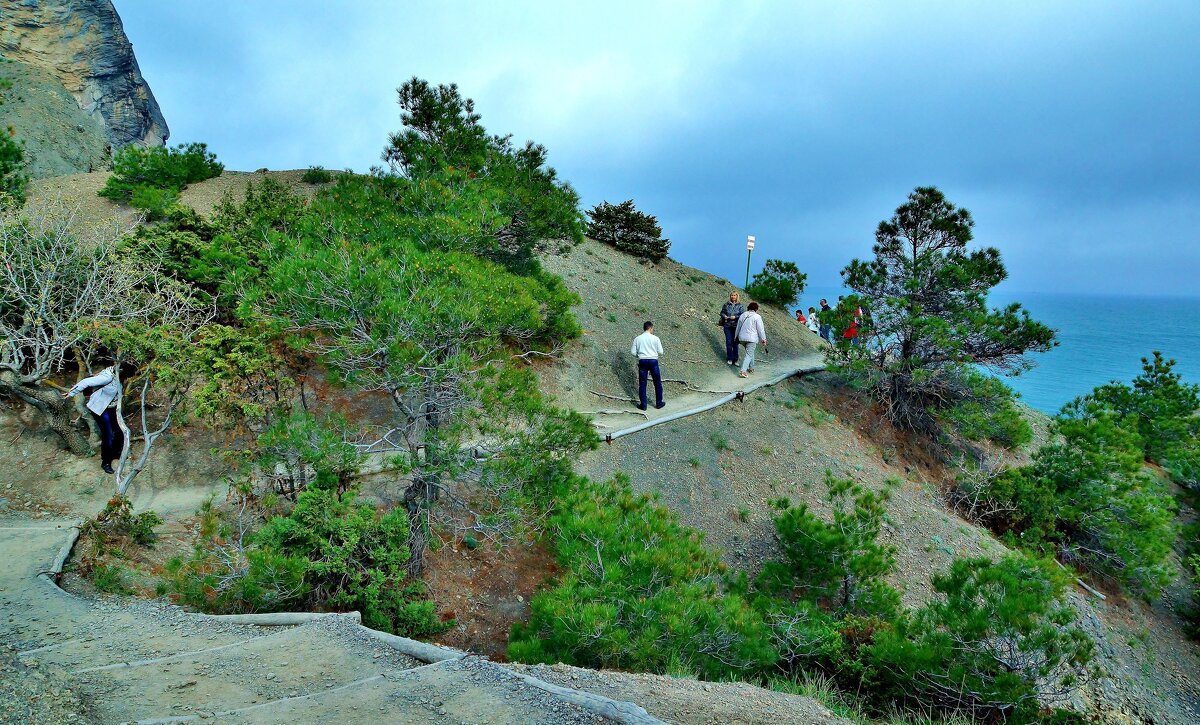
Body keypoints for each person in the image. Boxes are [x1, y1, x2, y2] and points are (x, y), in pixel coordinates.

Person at [63, 365, 124, 474]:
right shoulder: (108, 377)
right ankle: (106, 462)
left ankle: (115, 453)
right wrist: (71, 393)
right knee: (108, 434)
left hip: (111, 407)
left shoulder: (119, 375)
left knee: (119, 430)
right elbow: (85, 382)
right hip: (99, 408)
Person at [631, 321, 665, 411]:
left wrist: (639, 356)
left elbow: (633, 352)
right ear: (650, 328)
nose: (653, 330)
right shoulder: (656, 338)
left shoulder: (637, 339)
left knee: (642, 384)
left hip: (642, 361)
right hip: (653, 361)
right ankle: (659, 403)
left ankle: (643, 405)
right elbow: (661, 352)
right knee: (657, 382)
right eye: (653, 328)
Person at [733, 302, 767, 378]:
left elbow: (738, 326)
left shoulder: (743, 315)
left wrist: (736, 336)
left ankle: (751, 368)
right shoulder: (757, 316)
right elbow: (761, 330)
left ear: (748, 307)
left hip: (742, 338)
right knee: (749, 354)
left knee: (750, 352)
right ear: (756, 309)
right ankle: (743, 371)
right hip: (751, 338)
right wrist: (763, 339)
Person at [717, 292, 745, 366]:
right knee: (729, 342)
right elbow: (721, 313)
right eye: (732, 295)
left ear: (737, 296)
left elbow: (742, 315)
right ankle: (729, 358)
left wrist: (735, 317)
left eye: (734, 295)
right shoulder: (726, 305)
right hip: (727, 325)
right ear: (730, 296)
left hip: (736, 326)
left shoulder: (740, 306)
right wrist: (724, 316)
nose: (733, 296)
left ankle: (735, 360)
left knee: (735, 343)